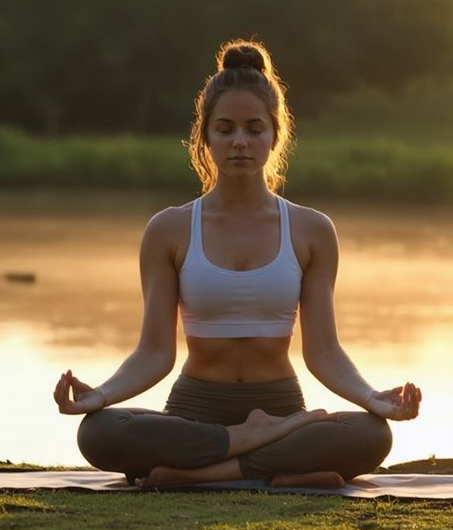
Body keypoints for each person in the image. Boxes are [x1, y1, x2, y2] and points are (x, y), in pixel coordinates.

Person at [52, 39, 422, 489]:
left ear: (275, 134)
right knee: (99, 432)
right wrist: (102, 394)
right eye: (225, 129)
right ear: (205, 137)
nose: (240, 142)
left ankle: (206, 472)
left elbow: (323, 352)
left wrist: (372, 397)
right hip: (194, 411)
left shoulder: (311, 230)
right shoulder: (169, 230)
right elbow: (154, 352)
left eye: (254, 129)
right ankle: (267, 457)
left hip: (280, 404)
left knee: (369, 434)